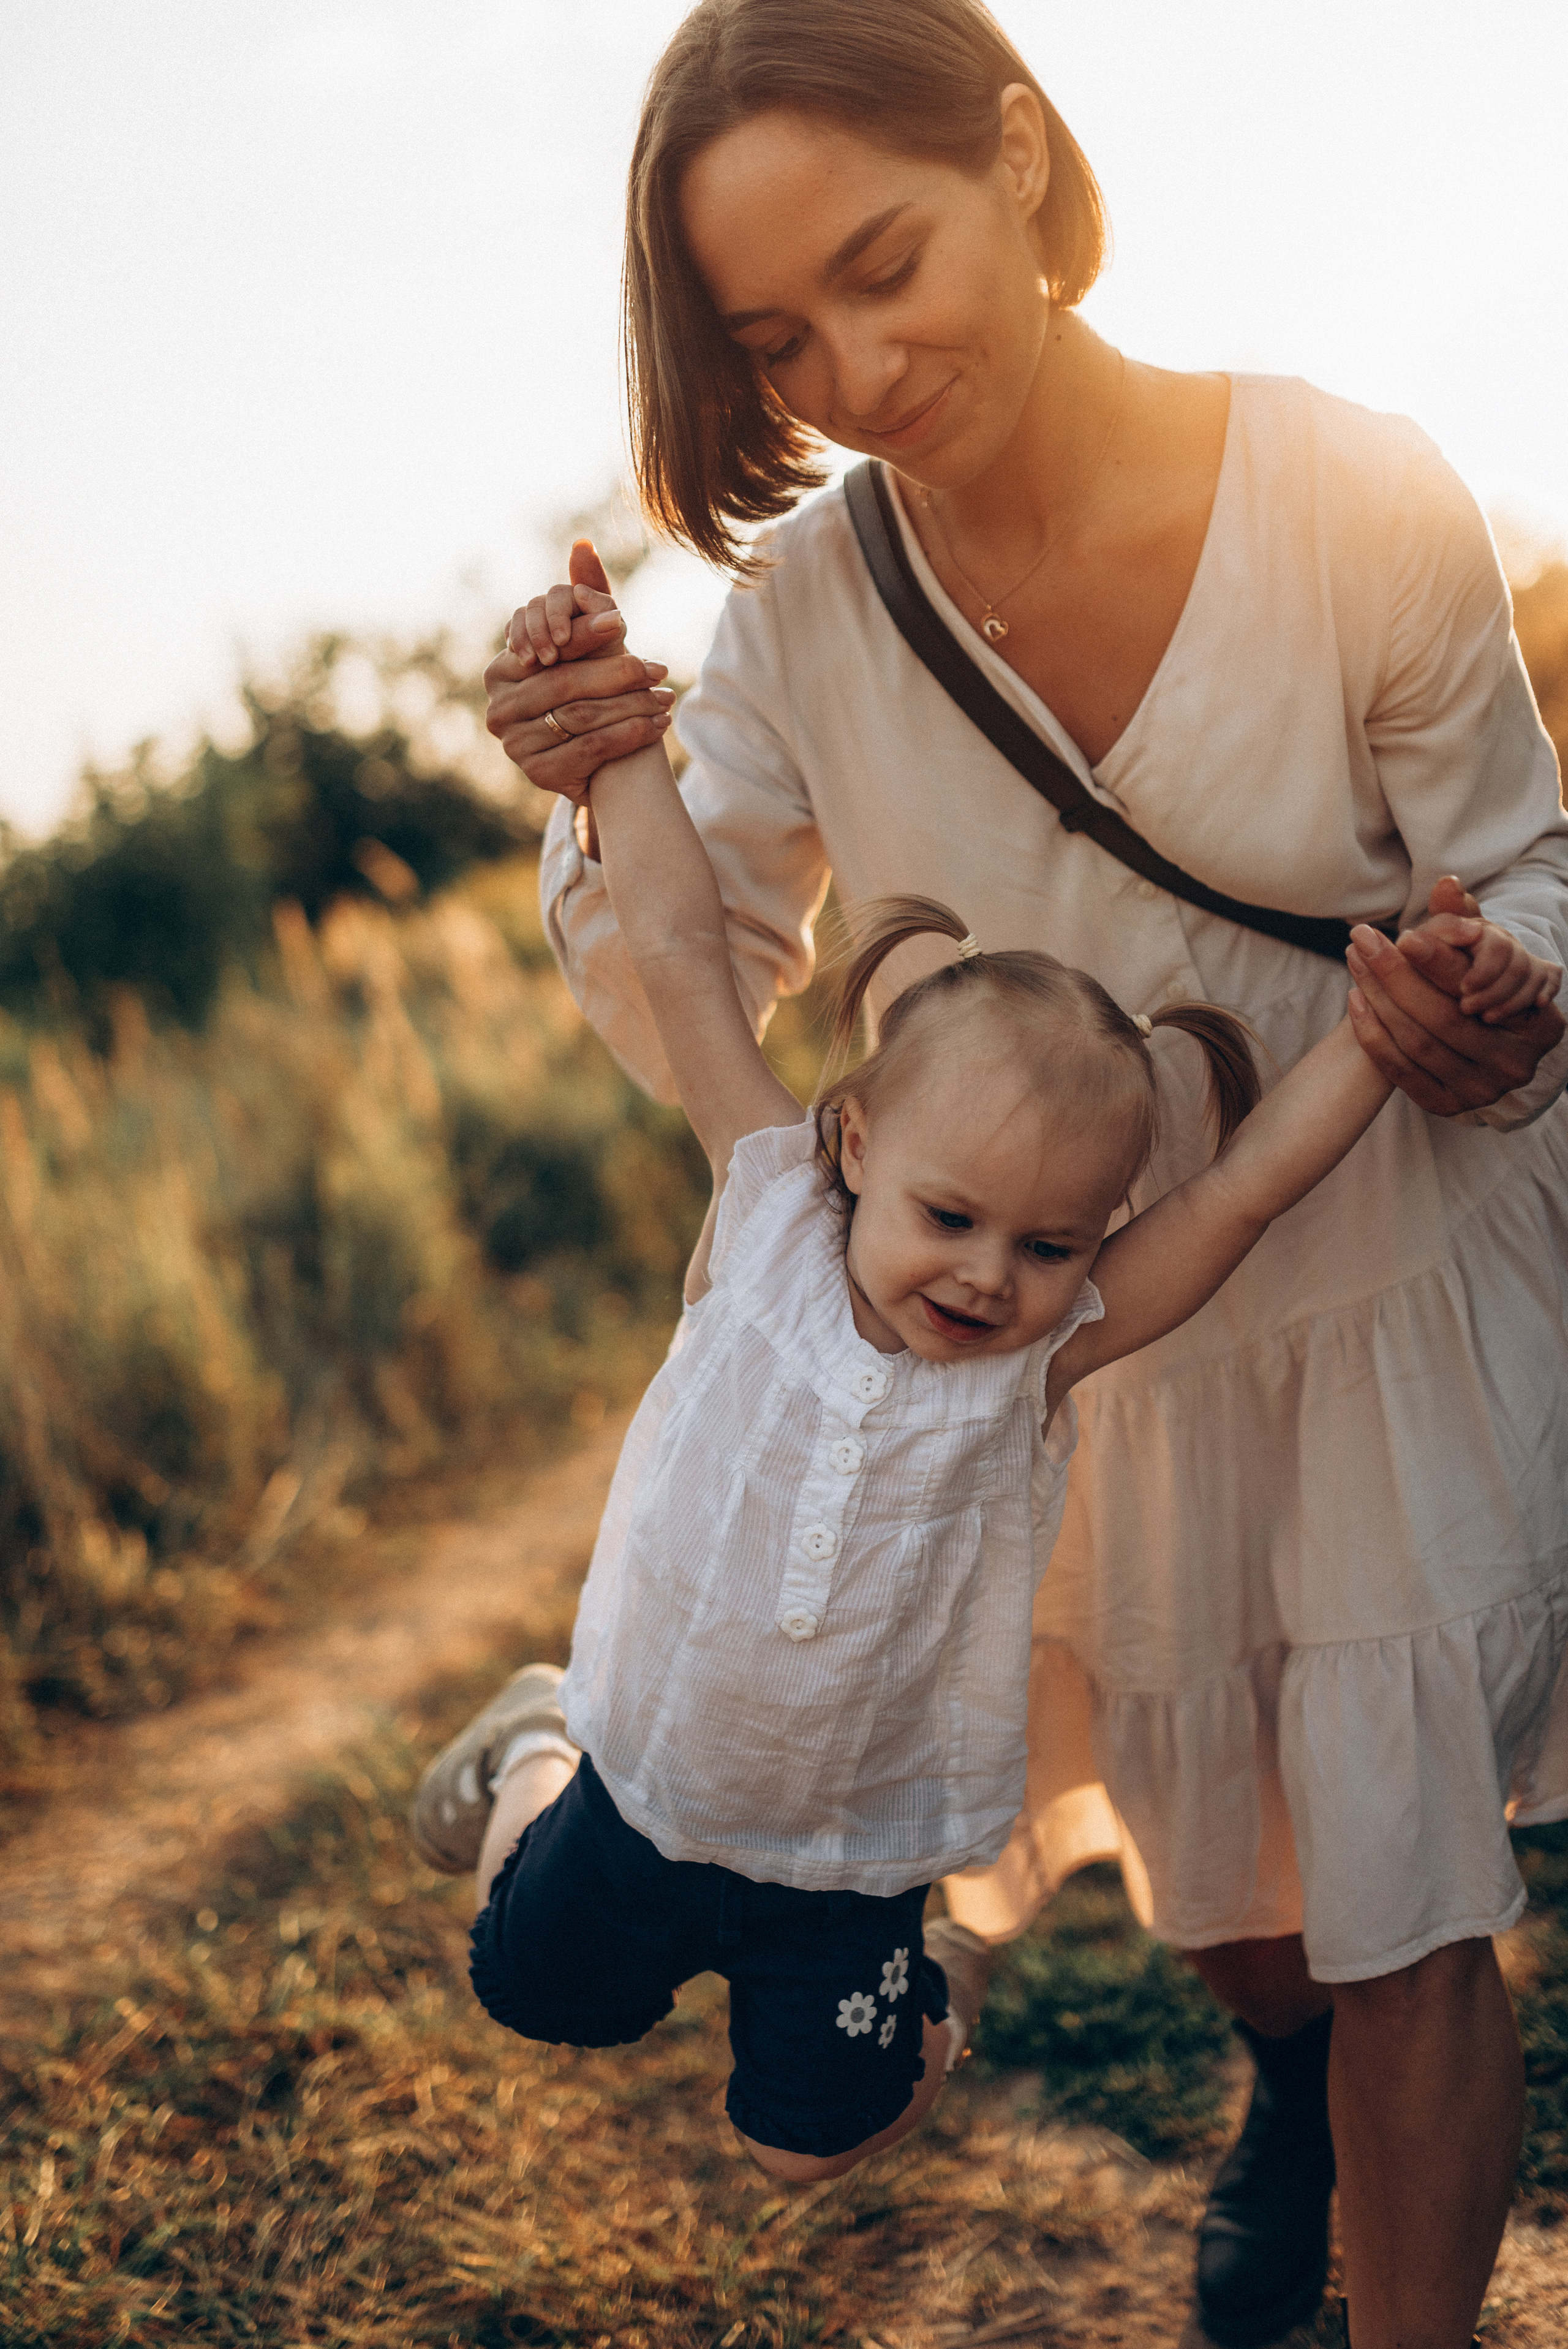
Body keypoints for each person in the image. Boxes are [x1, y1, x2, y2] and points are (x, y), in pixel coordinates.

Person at [479, 4, 1568, 2342]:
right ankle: (1286, 2071)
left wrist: (1504, 988)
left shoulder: (1355, 491)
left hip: (1375, 1270)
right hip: (1065, 1360)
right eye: (779, 339)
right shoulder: (804, 621)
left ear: (1014, 154)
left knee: (1410, 1904)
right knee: (1223, 1873)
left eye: (884, 267)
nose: (857, 371)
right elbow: (689, 966)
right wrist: (593, 773)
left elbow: (1529, 864)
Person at [418, 709, 1551, 2187]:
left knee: (809, 2150)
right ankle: (532, 1742)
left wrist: (1377, 1036)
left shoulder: (1034, 1362)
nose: (984, 1276)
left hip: (847, 1864)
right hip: (644, 1785)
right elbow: (685, 953)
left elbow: (1240, 1194)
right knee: (531, 1990)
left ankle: (938, 1989)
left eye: (1047, 1244)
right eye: (949, 1218)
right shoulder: (766, 1220)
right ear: (854, 1144)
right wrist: (623, 751)